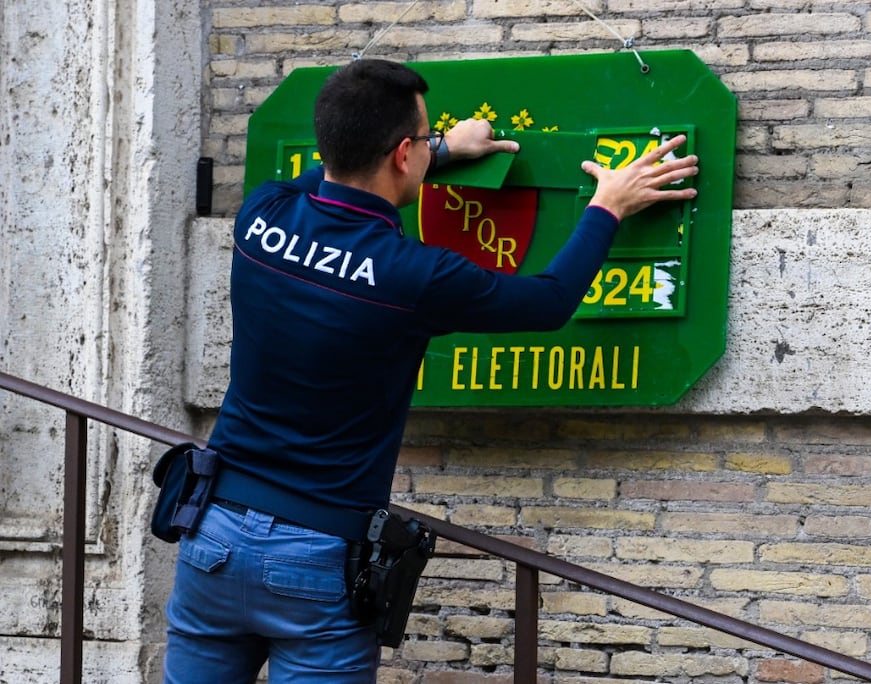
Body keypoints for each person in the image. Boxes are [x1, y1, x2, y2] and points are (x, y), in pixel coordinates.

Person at [162, 58, 698, 683]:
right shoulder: (414, 276)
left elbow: (337, 172)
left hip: (212, 538)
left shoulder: (262, 215)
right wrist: (607, 206)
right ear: (400, 154)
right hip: (314, 559)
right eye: (421, 138)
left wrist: (439, 148)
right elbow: (549, 301)